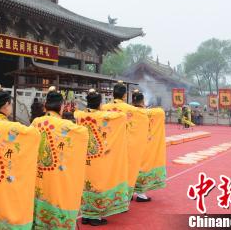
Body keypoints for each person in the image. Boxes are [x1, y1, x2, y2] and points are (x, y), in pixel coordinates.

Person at [0, 90, 40, 229]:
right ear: (6, 105)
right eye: (11, 104)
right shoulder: (13, 127)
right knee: (7, 205)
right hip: (6, 179)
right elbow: (34, 135)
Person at [30, 87, 88, 229]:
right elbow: (84, 133)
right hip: (58, 176)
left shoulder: (36, 122)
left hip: (39, 173)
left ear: (45, 106)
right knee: (57, 198)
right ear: (61, 107)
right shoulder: (67, 126)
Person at [77, 89, 129, 225]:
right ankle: (95, 217)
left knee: (85, 185)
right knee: (98, 183)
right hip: (98, 159)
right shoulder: (103, 116)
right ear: (100, 104)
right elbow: (122, 116)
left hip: (85, 158)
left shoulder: (80, 115)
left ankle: (85, 215)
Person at [101, 82, 150, 203]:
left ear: (113, 94)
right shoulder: (131, 110)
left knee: (108, 171)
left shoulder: (104, 108)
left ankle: (107, 197)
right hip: (124, 146)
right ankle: (122, 199)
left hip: (107, 146)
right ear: (124, 95)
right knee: (124, 172)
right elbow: (146, 118)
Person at [132, 90, 167, 201]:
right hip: (144, 145)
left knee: (131, 168)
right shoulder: (149, 113)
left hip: (131, 144)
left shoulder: (128, 112)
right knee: (143, 167)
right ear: (142, 101)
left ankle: (128, 194)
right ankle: (141, 194)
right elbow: (160, 112)